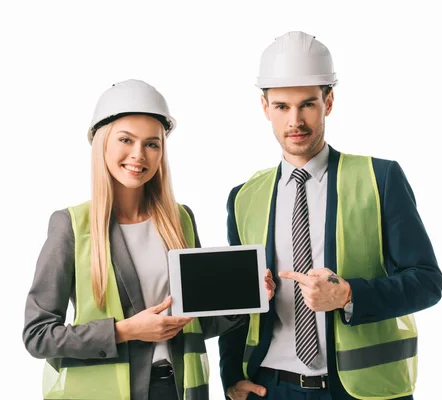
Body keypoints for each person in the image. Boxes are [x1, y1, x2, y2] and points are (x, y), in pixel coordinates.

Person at [218, 32, 442, 400]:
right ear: (265, 107)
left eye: (307, 104)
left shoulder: (379, 179)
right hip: (270, 388)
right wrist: (230, 378)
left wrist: (348, 295)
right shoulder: (244, 198)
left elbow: (427, 281)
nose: (295, 120)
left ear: (329, 101)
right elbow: (237, 303)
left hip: (360, 390)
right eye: (281, 107)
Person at [23, 79, 275, 400]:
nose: (138, 155)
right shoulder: (71, 225)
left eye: (152, 144)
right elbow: (38, 336)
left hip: (176, 390)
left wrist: (246, 298)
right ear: (103, 143)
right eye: (126, 140)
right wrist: (124, 331)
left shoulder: (179, 219)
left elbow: (195, 324)